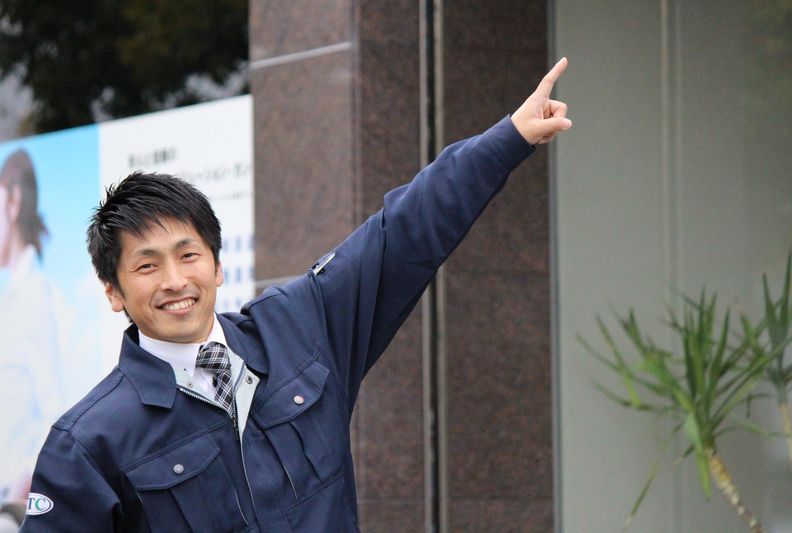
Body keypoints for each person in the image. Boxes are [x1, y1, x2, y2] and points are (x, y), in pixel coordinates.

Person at [20, 58, 572, 531]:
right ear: (113, 291)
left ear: (217, 264)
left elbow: (402, 232)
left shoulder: (300, 330)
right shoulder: (88, 443)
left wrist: (508, 139)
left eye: (188, 255)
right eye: (147, 266)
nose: (174, 281)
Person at [0, 149, 65, 508]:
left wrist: (14, 501)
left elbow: (53, 413)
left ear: (13, 201)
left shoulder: (33, 296)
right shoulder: (15, 295)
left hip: (14, 507)